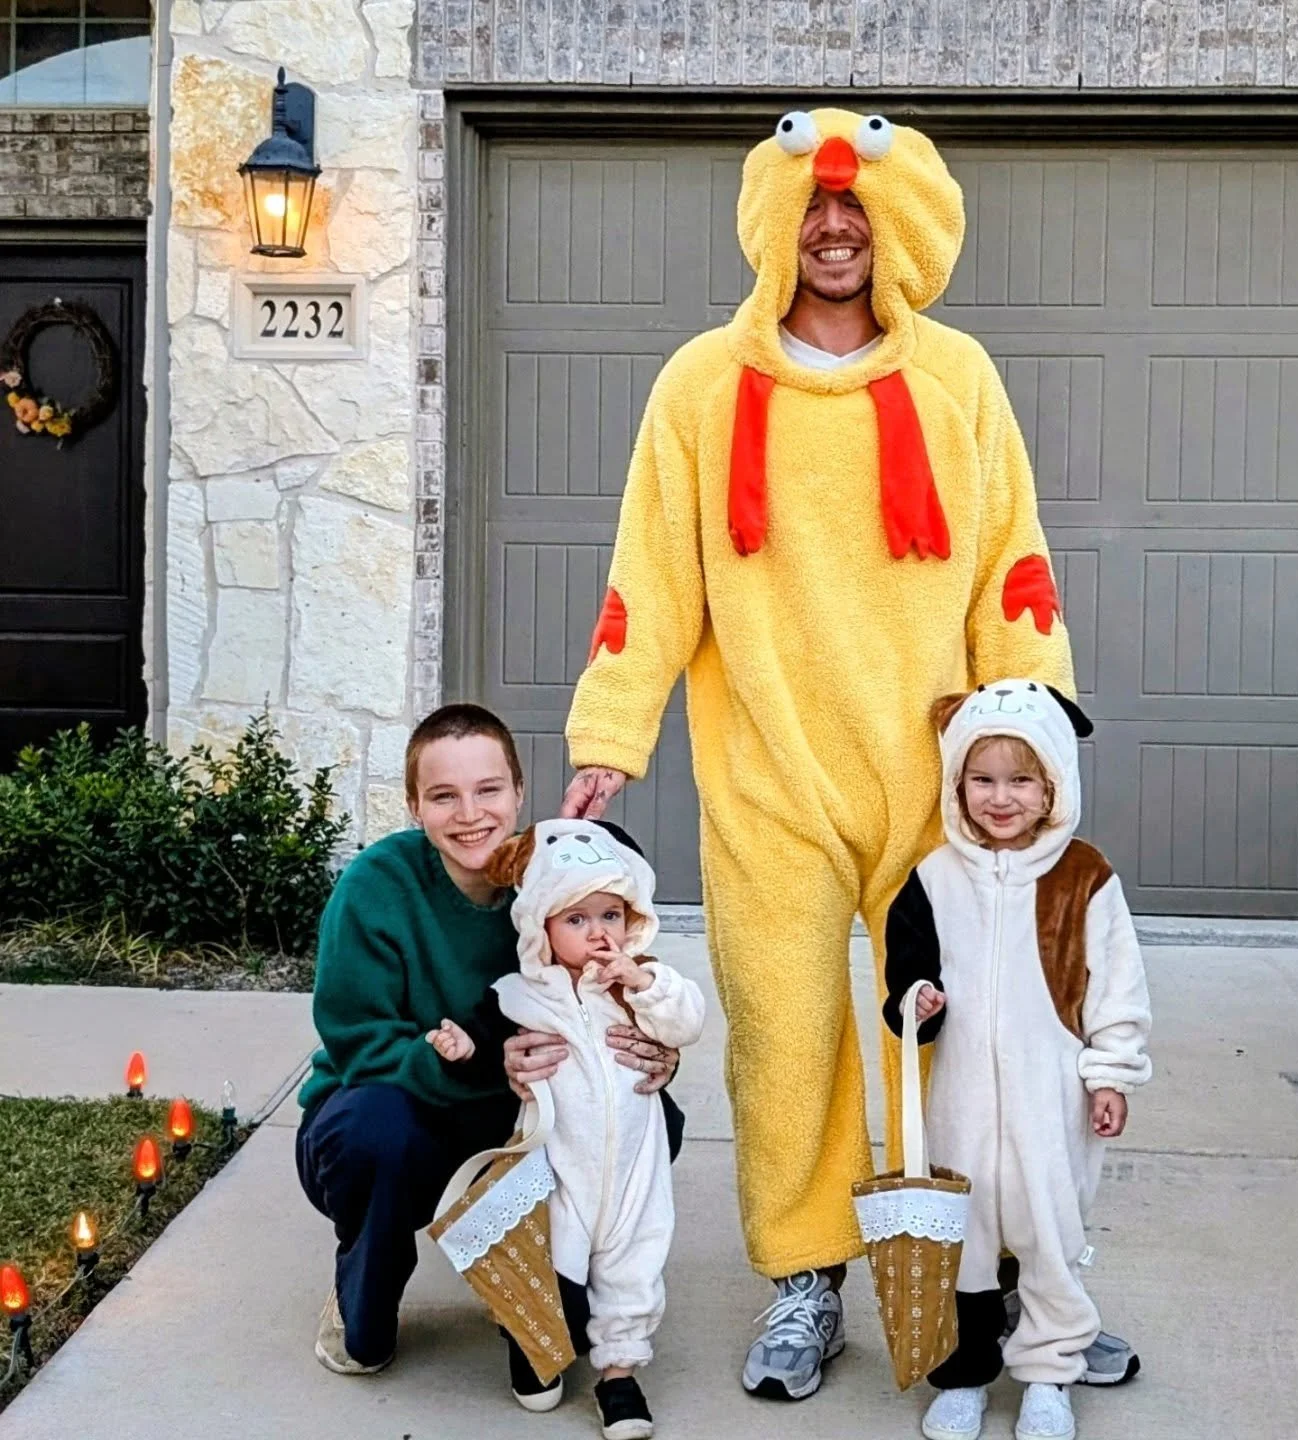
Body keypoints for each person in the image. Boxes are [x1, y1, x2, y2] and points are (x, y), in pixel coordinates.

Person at [559, 108, 1135, 1398]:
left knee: (974, 1045)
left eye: (858, 211)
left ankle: (1022, 1288)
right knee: (787, 1034)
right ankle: (806, 1280)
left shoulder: (960, 378)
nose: (834, 229)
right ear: (778, 223)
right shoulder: (702, 384)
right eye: (815, 209)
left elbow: (1011, 562)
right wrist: (612, 733)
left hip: (938, 782)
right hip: (768, 772)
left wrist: (1038, 732)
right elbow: (649, 578)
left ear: (900, 227)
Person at [294, 703, 683, 1396]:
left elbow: (619, 988)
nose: (470, 813)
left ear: (519, 793)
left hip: (523, 1111)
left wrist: (659, 1049)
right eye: (444, 796)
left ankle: (544, 1288)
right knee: (374, 1136)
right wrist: (474, 1062)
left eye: (489, 790)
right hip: (401, 1105)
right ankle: (364, 1297)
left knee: (653, 1115)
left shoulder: (557, 878)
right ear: (414, 805)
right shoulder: (374, 889)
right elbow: (359, 1045)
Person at [883, 682, 1152, 1440]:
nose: (1000, 799)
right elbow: (904, 972)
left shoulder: (1085, 878)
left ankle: (1048, 1373)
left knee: (1050, 1239)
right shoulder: (935, 878)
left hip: (1051, 1104)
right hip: (961, 1106)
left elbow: (1117, 990)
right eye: (982, 779)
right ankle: (965, 1374)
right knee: (961, 1243)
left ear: (1053, 786)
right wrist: (918, 1002)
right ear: (957, 785)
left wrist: (1111, 1074)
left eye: (1021, 780)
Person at [436, 820, 705, 1439]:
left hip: (634, 1165)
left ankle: (619, 1375)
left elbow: (686, 1022)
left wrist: (642, 982)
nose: (597, 934)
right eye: (576, 920)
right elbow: (486, 1034)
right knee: (551, 1262)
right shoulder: (521, 994)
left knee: (633, 1265)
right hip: (557, 1166)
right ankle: (534, 1348)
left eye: (610, 915)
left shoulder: (638, 989)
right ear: (543, 927)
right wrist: (462, 1044)